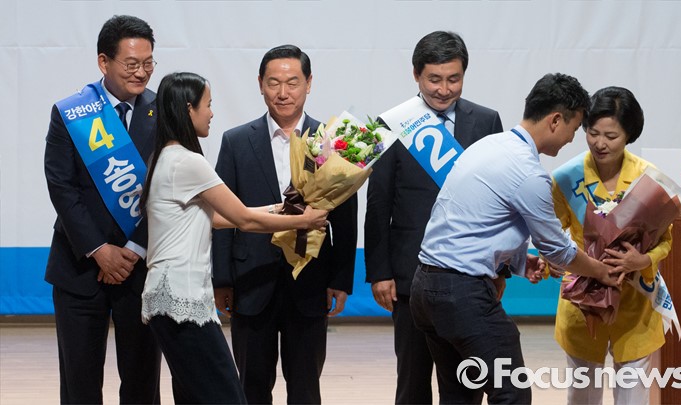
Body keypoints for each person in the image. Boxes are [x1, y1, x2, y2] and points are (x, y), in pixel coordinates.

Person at [410, 73, 621, 404]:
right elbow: (558, 250)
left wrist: (521, 262)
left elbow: (478, 223)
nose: (572, 139)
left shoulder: (489, 146)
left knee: (459, 395)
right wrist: (601, 271)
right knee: (512, 392)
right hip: (461, 293)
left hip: (426, 288)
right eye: (574, 127)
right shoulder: (528, 172)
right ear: (555, 120)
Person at [140, 71, 328, 404]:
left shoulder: (165, 157)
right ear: (188, 109)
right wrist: (303, 220)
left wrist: (281, 207)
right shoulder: (188, 162)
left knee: (194, 396)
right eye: (208, 105)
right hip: (182, 296)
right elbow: (243, 218)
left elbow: (214, 218)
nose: (212, 113)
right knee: (228, 396)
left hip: (166, 297)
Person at [211, 44, 358, 404]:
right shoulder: (236, 141)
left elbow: (346, 218)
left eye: (292, 82)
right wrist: (222, 279)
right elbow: (223, 214)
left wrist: (340, 279)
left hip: (310, 281)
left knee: (306, 385)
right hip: (251, 281)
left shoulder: (334, 142)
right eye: (274, 83)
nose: (283, 92)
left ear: (309, 83)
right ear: (260, 84)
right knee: (251, 384)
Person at [364, 30, 503, 404]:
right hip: (409, 277)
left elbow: (499, 200)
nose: (444, 89)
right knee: (412, 382)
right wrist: (379, 272)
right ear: (416, 75)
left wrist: (500, 268)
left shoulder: (487, 121)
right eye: (434, 79)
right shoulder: (391, 123)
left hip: (471, 274)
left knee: (466, 384)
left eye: (453, 79)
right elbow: (378, 204)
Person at [43, 15, 161, 404]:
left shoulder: (165, 111)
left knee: (143, 383)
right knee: (79, 384)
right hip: (79, 266)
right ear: (103, 62)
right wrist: (99, 249)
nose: (141, 72)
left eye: (148, 63)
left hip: (140, 269)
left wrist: (134, 248)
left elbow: (170, 190)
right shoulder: (72, 112)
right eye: (131, 64)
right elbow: (62, 186)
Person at [550, 87, 673, 405]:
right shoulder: (566, 178)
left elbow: (665, 241)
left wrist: (642, 260)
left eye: (611, 136)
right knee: (582, 396)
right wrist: (554, 261)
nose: (600, 143)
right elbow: (550, 232)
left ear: (629, 135)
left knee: (633, 396)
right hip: (583, 302)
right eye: (593, 133)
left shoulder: (648, 179)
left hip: (635, 305)